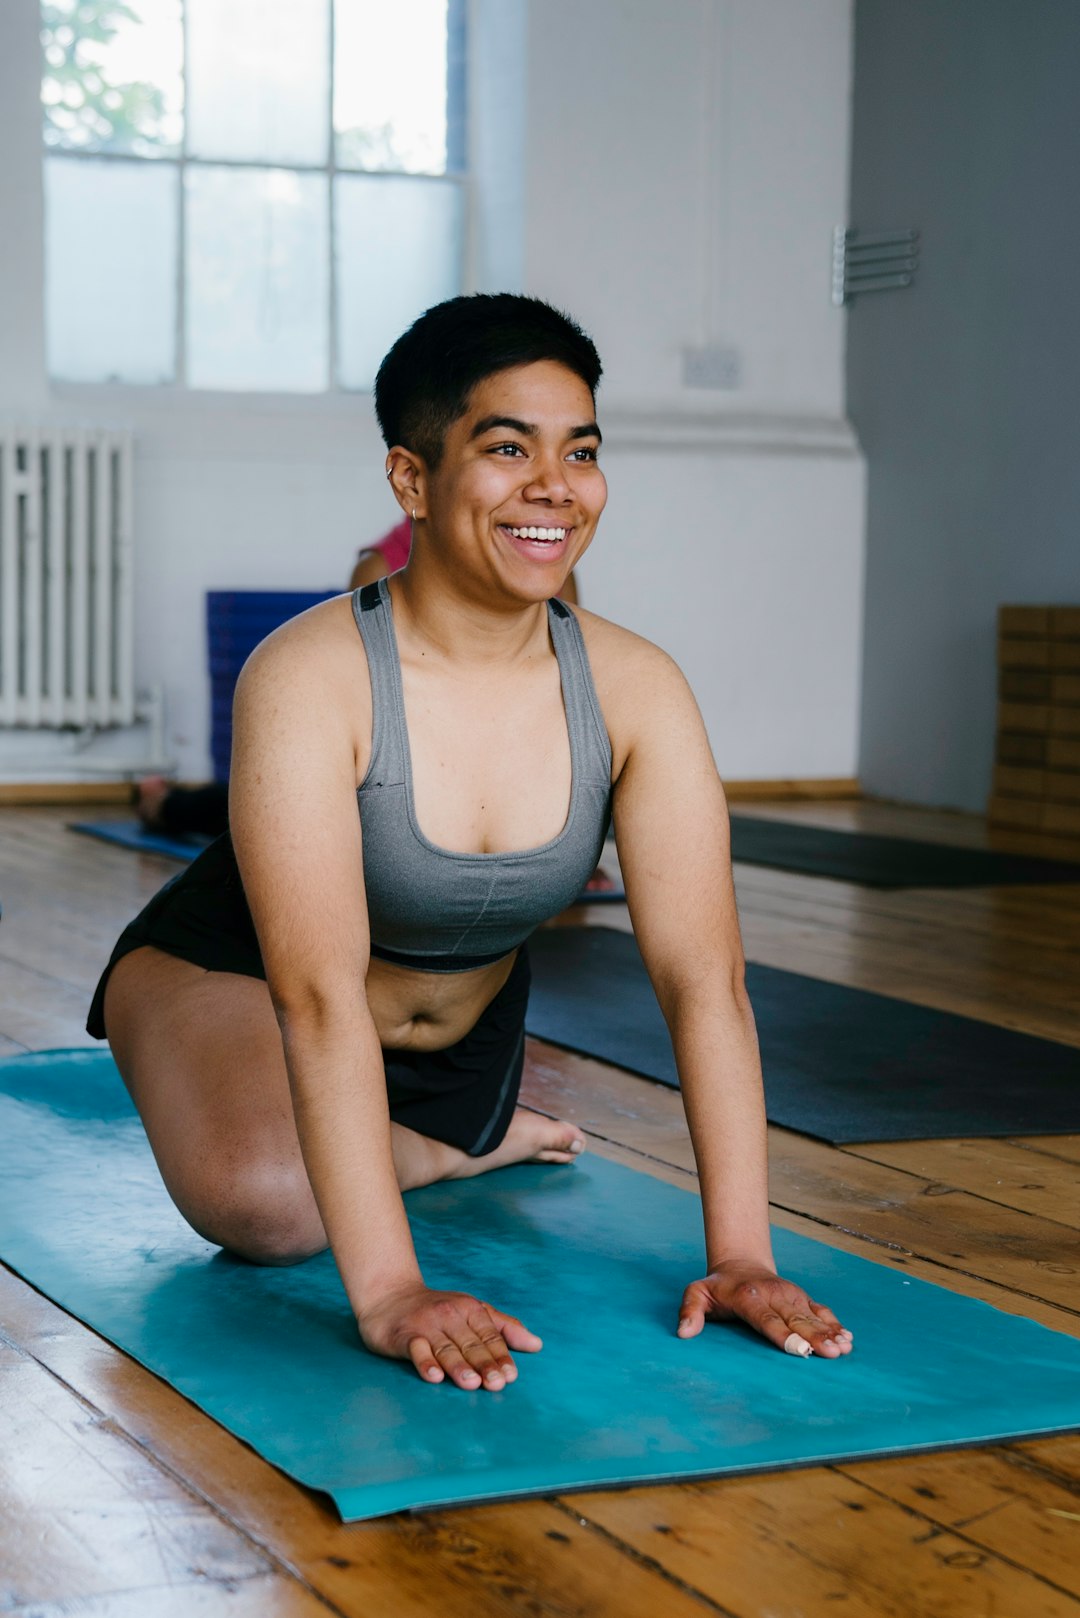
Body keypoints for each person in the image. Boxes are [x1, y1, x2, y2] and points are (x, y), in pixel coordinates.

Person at [89, 293, 852, 1393]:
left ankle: (459, 1132)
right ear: (412, 479)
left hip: (457, 1039)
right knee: (266, 1205)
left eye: (580, 450)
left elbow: (706, 983)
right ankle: (458, 1149)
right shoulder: (310, 676)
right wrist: (394, 1290)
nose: (557, 485)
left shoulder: (639, 688)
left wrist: (742, 1257)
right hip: (234, 976)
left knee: (316, 1177)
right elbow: (315, 997)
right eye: (508, 447)